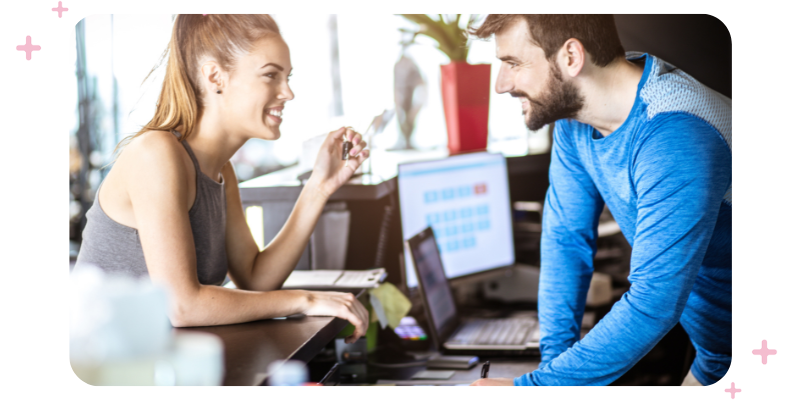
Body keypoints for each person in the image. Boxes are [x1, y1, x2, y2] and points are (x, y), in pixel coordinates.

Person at [468, 15, 731, 386]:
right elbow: (566, 243)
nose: (500, 84)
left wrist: (532, 390)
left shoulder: (675, 132)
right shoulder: (576, 123)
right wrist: (551, 375)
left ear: (571, 56)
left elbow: (653, 304)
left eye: (513, 63)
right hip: (719, 352)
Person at [74, 14, 370, 343]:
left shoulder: (220, 168)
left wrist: (319, 187)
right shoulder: (156, 154)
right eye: (271, 75)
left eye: (287, 77)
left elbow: (256, 279)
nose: (288, 92)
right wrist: (306, 299)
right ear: (216, 76)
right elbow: (181, 305)